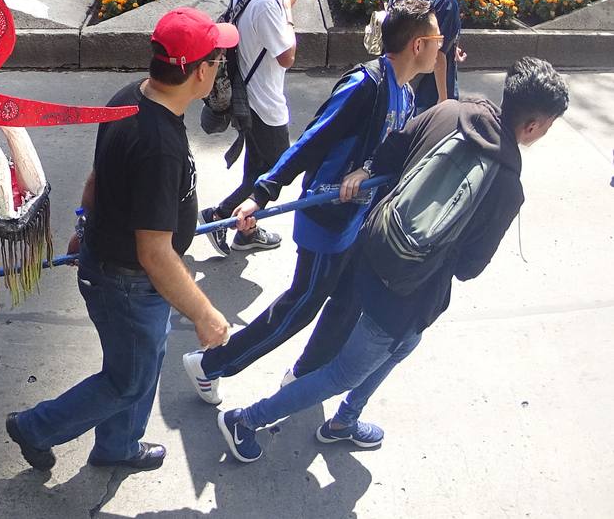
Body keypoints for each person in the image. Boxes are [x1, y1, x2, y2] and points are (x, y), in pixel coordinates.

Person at [218, 57, 568, 463]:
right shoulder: (506, 185)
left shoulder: (451, 111)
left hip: (370, 247)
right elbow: (469, 268)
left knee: (403, 346)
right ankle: (245, 420)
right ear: (532, 126)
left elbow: (389, 153)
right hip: (407, 294)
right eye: (548, 125)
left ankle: (345, 420)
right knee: (342, 373)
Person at [6, 7, 237, 473]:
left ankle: (118, 446)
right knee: (127, 380)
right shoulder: (159, 146)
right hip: (128, 283)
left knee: (140, 365)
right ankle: (35, 427)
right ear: (198, 71)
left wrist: (82, 225)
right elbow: (154, 252)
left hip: (119, 272)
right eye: (217, 59)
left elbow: (99, 178)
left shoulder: (130, 96)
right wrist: (205, 314)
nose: (220, 67)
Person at [182, 0, 440, 404]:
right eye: (438, 38)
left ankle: (304, 376)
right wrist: (262, 193)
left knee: (349, 299)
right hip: (327, 216)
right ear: (419, 45)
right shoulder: (365, 86)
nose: (442, 47)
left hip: (359, 219)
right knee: (300, 306)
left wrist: (369, 173)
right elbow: (311, 141)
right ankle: (210, 365)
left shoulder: (405, 93)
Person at [200, 0, 325, 255]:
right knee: (273, 175)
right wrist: (290, 7)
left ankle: (244, 230)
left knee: (257, 170)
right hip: (263, 102)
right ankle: (222, 216)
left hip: (249, 93)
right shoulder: (266, 4)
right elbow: (287, 56)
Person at [415, 0, 465, 113]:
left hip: (420, 81)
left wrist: (453, 46)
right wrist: (443, 98)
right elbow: (439, 54)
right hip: (434, 90)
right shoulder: (448, 4)